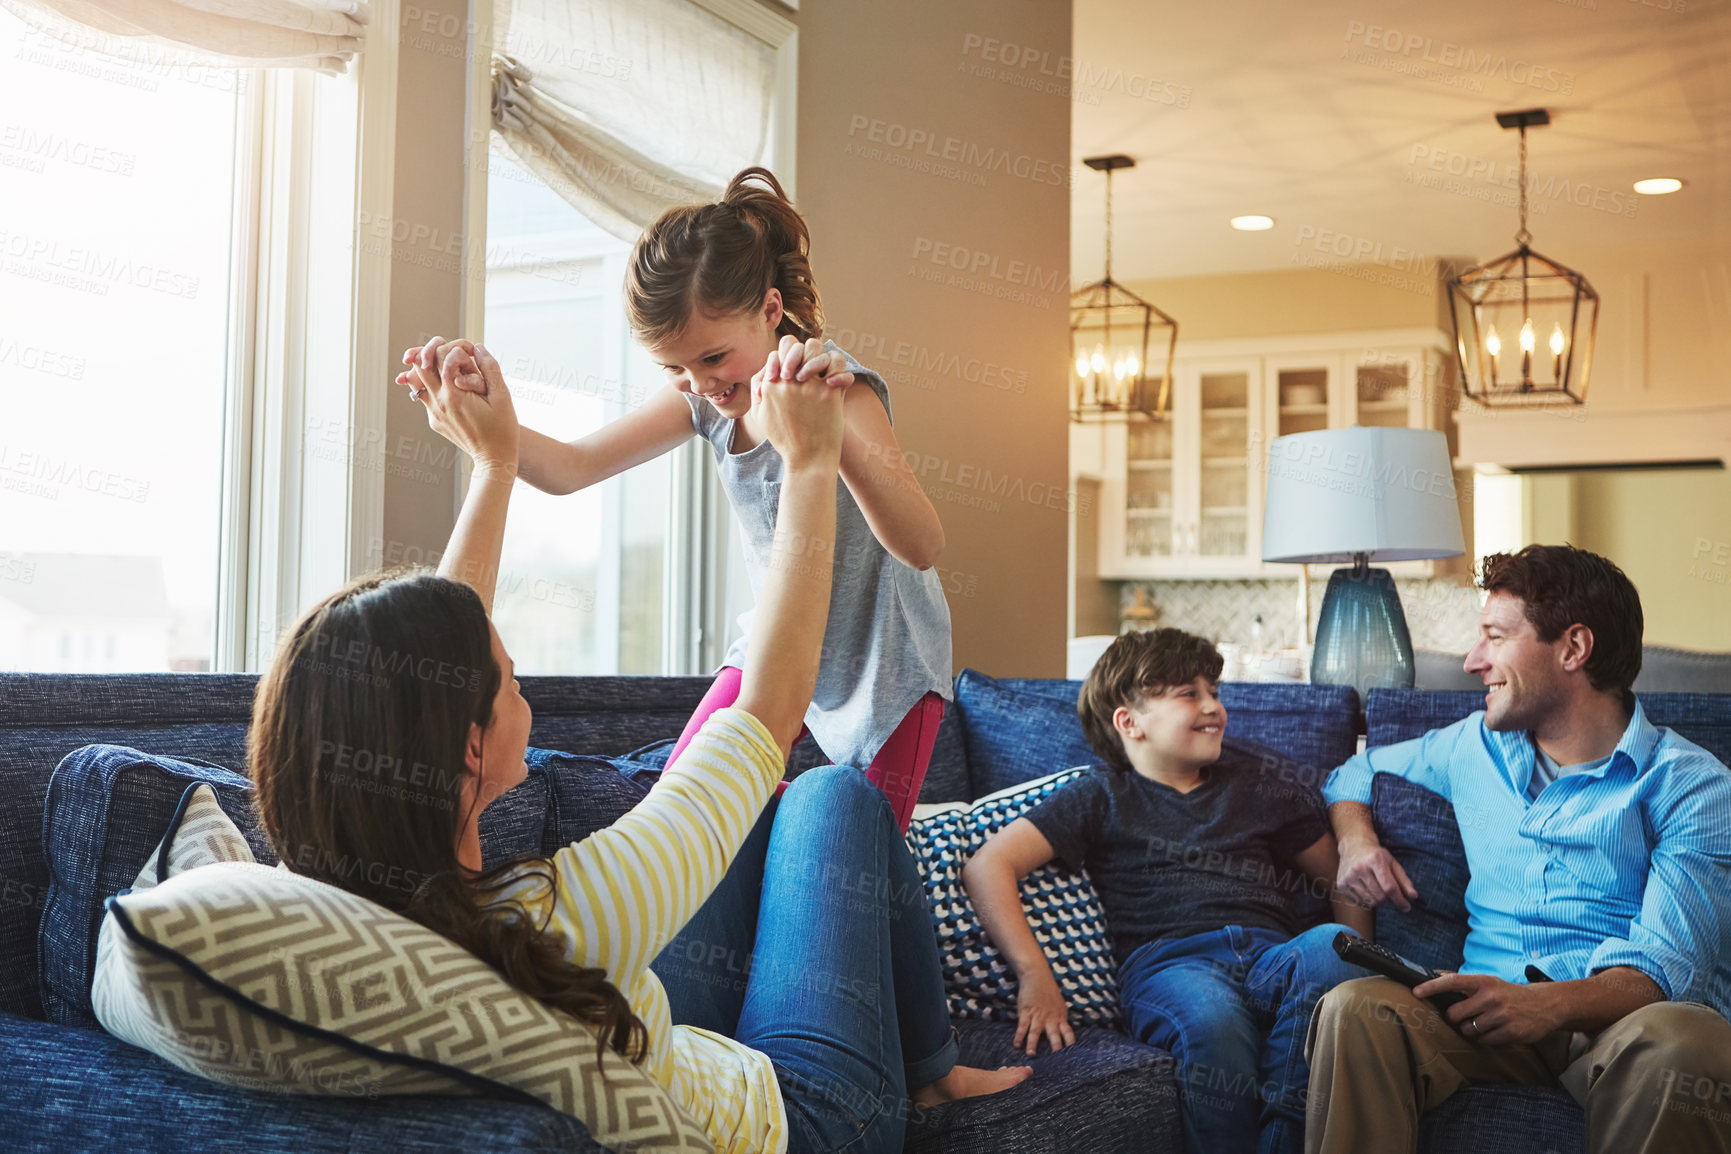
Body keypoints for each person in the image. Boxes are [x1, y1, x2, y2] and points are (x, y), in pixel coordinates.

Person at [257, 340, 1028, 1154]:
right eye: (509, 679)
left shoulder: (320, 901)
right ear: (468, 752)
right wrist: (807, 464)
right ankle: (924, 1075)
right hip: (803, 1120)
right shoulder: (566, 913)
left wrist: (494, 461)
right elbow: (768, 711)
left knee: (764, 825)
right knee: (828, 795)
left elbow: (432, 669)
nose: (522, 683)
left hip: (648, 1040)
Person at [395, 166, 950, 832]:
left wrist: (823, 440)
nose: (698, 382)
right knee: (680, 812)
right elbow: (571, 469)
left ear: (771, 312)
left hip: (884, 664)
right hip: (773, 644)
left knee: (863, 843)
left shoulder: (841, 392)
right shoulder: (702, 397)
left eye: (713, 358)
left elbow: (921, 544)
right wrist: (479, 418)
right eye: (673, 367)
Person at [1307, 544, 1731, 1154]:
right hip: (1481, 1016)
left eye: (1494, 637)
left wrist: (1545, 1004)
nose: (1473, 660)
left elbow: (1662, 971)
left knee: (1687, 1039)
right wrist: (1356, 842)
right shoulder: (1470, 746)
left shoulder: (1692, 784)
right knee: (1356, 1008)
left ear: (1573, 648)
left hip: (1617, 1026)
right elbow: (1354, 773)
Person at [962, 627, 1372, 1154]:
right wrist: (1034, 975)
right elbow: (988, 865)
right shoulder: (1100, 793)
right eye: (1188, 694)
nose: (1213, 706)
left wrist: (1362, 962)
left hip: (1272, 957)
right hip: (1172, 965)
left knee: (1332, 948)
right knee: (1213, 1022)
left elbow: (1343, 880)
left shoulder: (1258, 786)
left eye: (1214, 692)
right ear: (1129, 723)